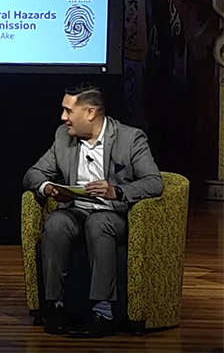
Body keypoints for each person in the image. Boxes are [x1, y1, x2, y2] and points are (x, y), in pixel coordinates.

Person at [23, 84, 163, 338]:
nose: (63, 118)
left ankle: (103, 312)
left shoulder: (130, 138)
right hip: (77, 210)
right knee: (55, 223)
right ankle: (54, 306)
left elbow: (154, 181)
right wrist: (48, 188)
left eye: (68, 111)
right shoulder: (63, 137)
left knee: (98, 224)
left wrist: (116, 191)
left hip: (113, 214)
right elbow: (33, 174)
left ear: (90, 113)